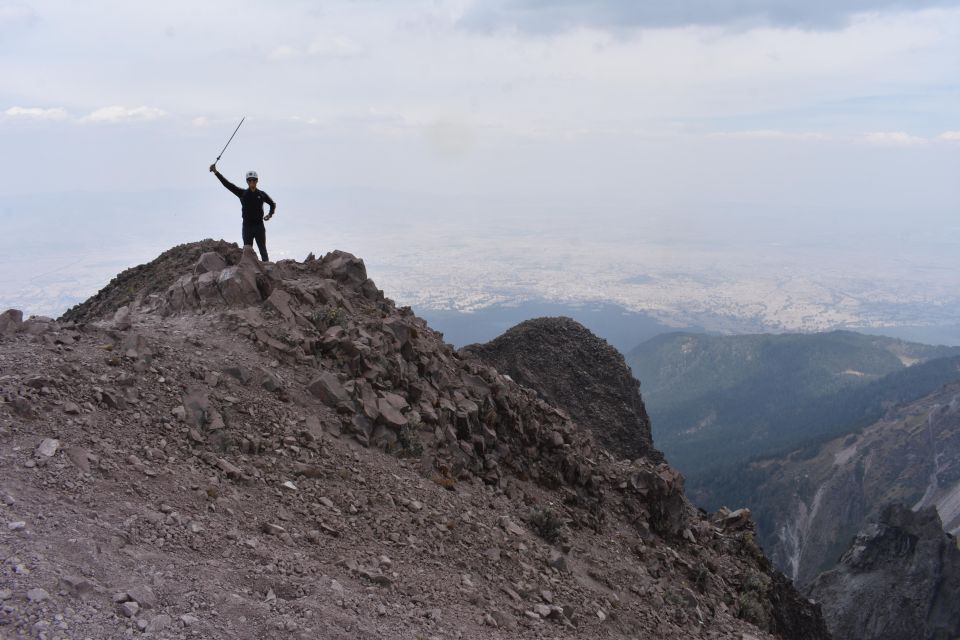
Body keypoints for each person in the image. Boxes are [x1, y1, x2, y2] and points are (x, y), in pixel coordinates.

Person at [209, 163, 276, 262]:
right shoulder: (242, 193)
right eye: (249, 180)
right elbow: (227, 184)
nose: (252, 182)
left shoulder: (261, 194)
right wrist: (215, 172)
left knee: (263, 251)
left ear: (257, 181)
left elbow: (272, 204)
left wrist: (269, 215)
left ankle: (268, 272)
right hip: (247, 227)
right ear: (247, 182)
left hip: (259, 227)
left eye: (254, 180)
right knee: (247, 252)